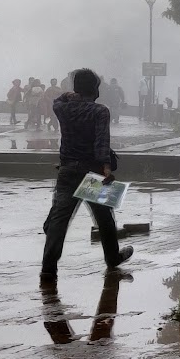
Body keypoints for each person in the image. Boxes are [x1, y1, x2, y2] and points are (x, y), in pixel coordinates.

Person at [40, 67, 133, 283]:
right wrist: (106, 167)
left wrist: (68, 95)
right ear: (95, 89)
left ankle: (48, 268)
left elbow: (57, 101)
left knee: (59, 220)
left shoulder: (63, 108)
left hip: (67, 169)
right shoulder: (100, 111)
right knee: (104, 217)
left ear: (76, 89)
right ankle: (113, 258)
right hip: (92, 172)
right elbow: (102, 141)